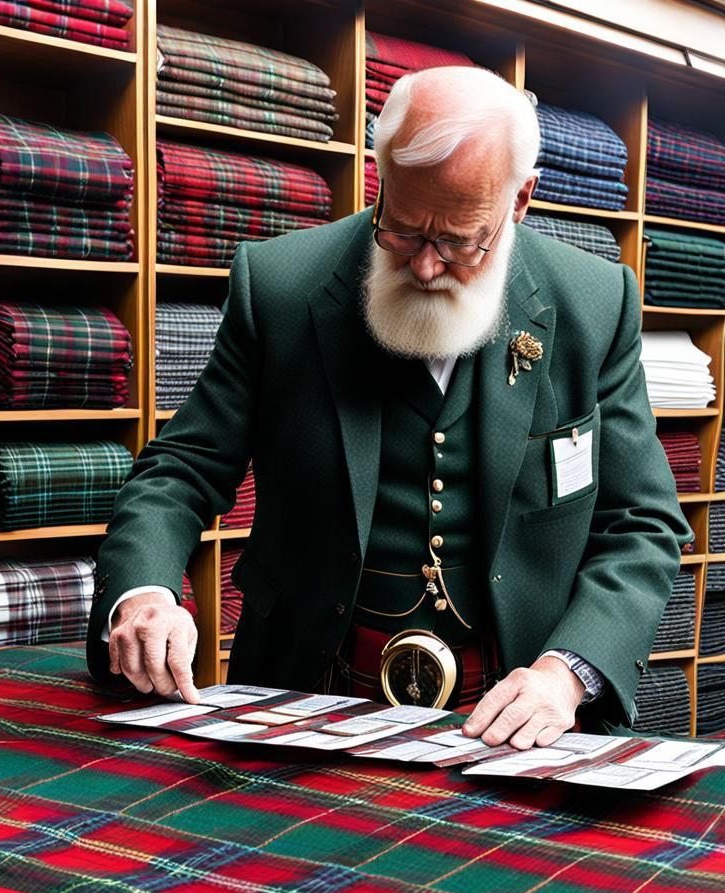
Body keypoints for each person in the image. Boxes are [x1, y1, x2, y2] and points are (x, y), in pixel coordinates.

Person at [88, 66, 691, 749]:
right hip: (304, 699)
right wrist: (144, 595)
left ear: (520, 200)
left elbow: (642, 523)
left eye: (459, 240)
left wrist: (567, 672)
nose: (426, 266)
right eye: (403, 230)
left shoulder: (595, 304)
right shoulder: (281, 286)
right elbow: (181, 471)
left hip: (519, 724)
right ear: (382, 179)